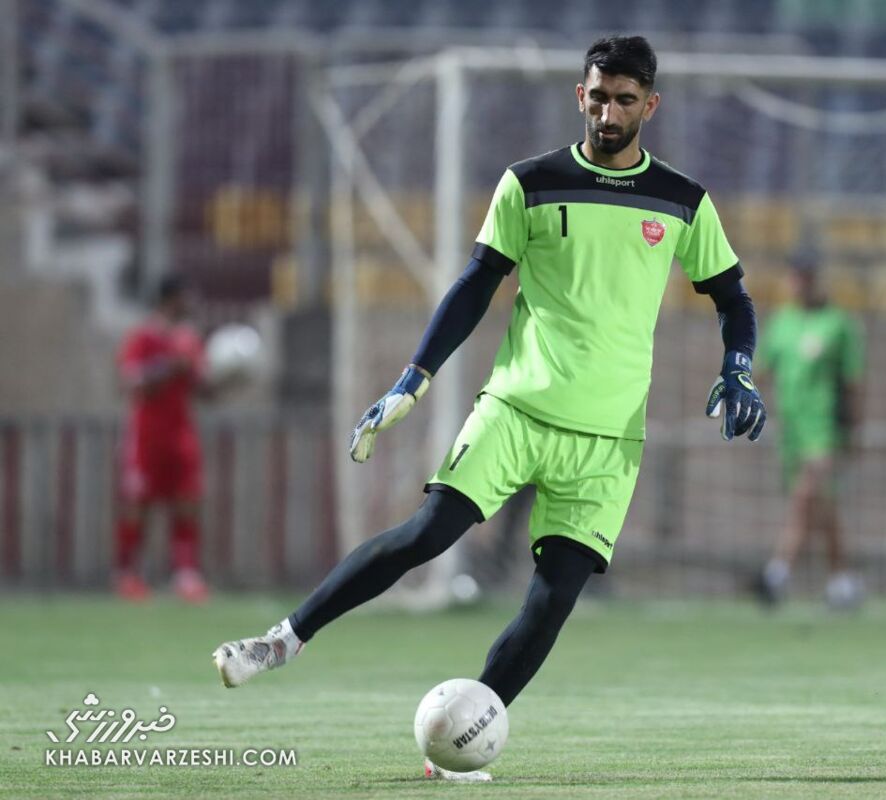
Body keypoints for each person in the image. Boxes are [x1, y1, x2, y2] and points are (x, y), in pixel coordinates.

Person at [211, 35, 766, 778]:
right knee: (429, 532)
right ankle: (280, 642)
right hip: (516, 411)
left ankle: (462, 741)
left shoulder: (682, 200)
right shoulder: (529, 183)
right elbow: (476, 284)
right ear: (581, 95)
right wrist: (413, 378)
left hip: (608, 441)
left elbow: (733, 298)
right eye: (599, 97)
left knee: (553, 599)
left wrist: (738, 367)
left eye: (625, 100)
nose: (609, 113)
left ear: (650, 106)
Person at [756, 250, 865, 609]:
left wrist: (855, 430)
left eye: (806, 276)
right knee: (820, 506)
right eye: (796, 276)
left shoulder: (838, 323)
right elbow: (764, 369)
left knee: (806, 496)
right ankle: (842, 580)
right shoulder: (782, 322)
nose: (800, 283)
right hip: (791, 431)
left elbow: (853, 382)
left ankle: (777, 574)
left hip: (824, 430)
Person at [115, 274, 210, 603]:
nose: (191, 303)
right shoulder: (143, 337)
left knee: (187, 500)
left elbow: (202, 388)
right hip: (146, 435)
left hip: (181, 434)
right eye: (185, 297)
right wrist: (171, 366)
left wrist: (228, 376)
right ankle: (128, 574)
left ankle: (185, 575)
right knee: (137, 504)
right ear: (170, 299)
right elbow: (131, 382)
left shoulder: (188, 339)